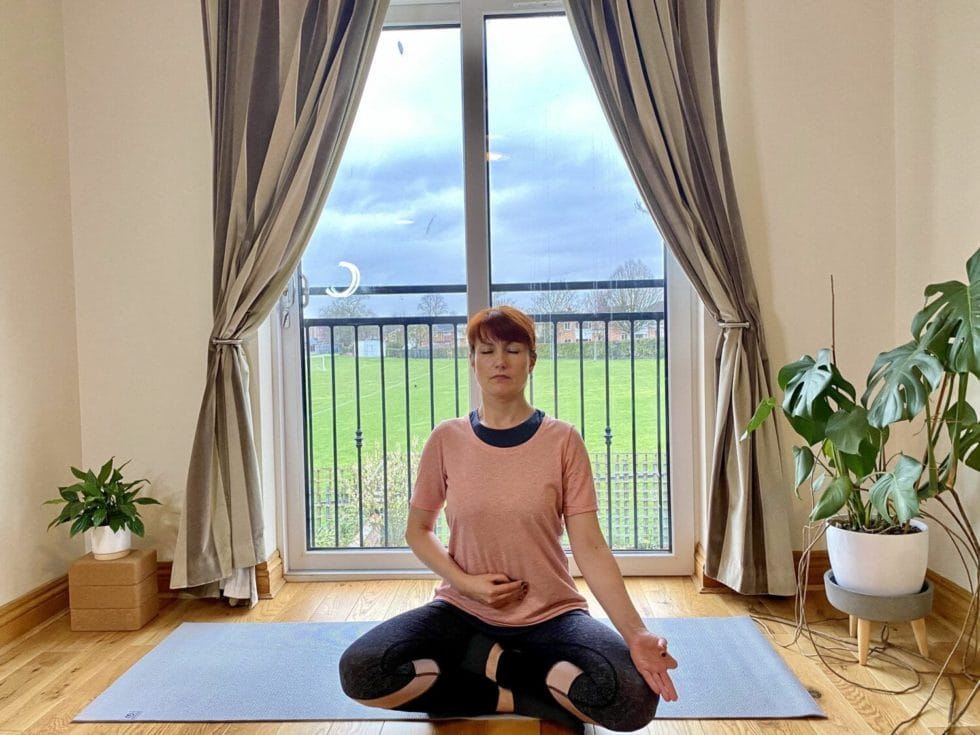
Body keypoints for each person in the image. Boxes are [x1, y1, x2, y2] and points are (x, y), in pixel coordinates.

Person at [339, 305, 678, 732]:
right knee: (360, 670)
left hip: (551, 614)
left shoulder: (563, 441)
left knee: (632, 700)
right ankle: (523, 688)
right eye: (487, 350)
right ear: (473, 362)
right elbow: (418, 531)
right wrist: (466, 584)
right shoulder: (446, 439)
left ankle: (486, 668)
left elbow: (590, 547)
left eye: (513, 350)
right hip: (462, 610)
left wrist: (637, 634)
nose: (500, 361)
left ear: (531, 361)